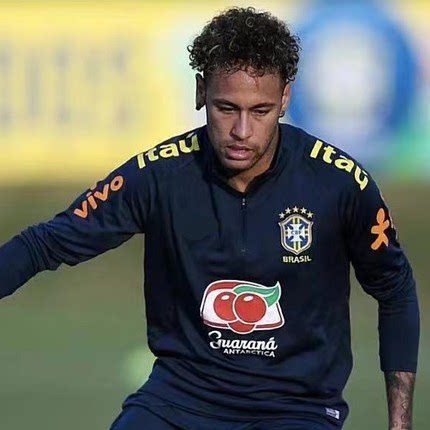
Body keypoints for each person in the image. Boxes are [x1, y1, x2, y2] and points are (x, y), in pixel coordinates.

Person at [0, 7, 419, 430]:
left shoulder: (340, 183)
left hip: (296, 409)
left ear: (285, 99)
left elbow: (395, 287)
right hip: (178, 402)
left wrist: (400, 424)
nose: (242, 131)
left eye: (260, 111)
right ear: (201, 91)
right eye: (226, 108)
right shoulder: (160, 176)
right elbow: (45, 243)